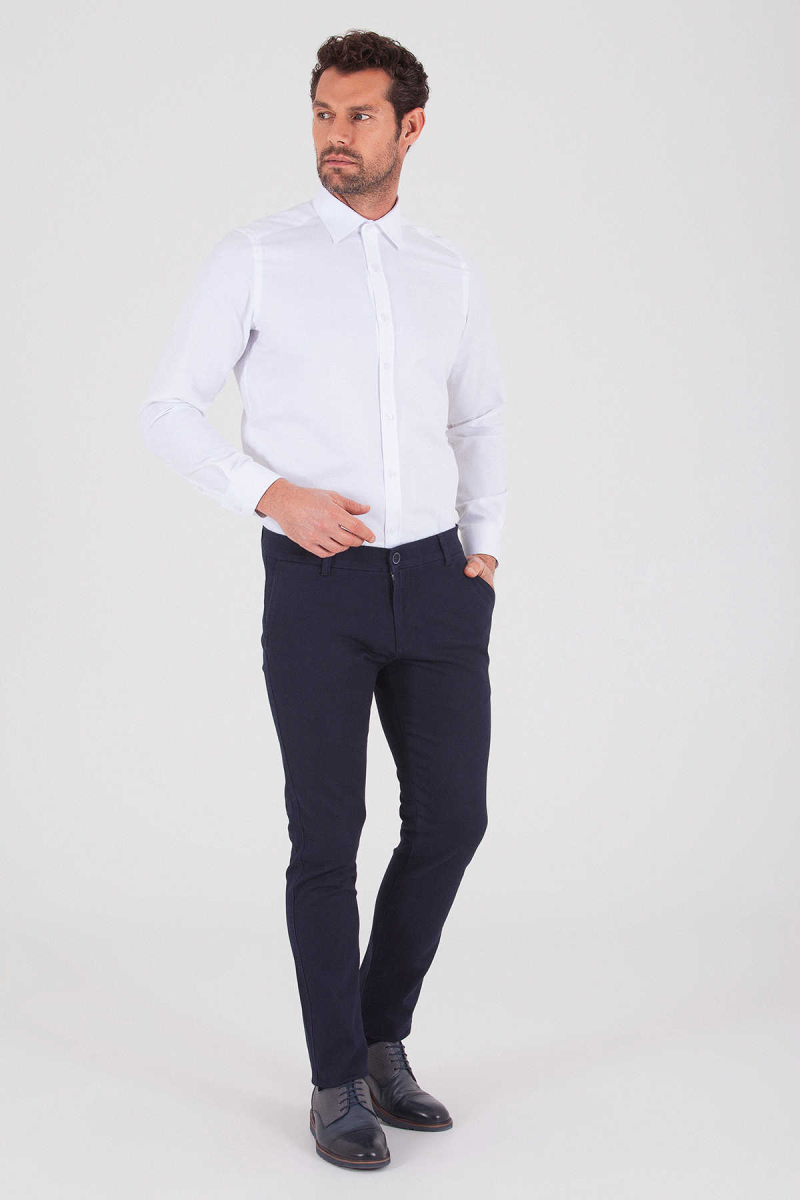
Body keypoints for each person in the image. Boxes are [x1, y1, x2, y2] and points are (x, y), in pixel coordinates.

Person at [139, 28, 508, 1171]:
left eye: (358, 116)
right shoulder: (256, 255)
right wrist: (269, 494)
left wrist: (484, 550)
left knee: (451, 820)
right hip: (317, 588)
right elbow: (169, 408)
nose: (334, 136)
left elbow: (477, 415)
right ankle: (336, 1078)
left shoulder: (444, 269)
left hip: (437, 582)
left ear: (409, 126)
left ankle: (380, 1033)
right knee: (325, 836)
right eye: (321, 114)